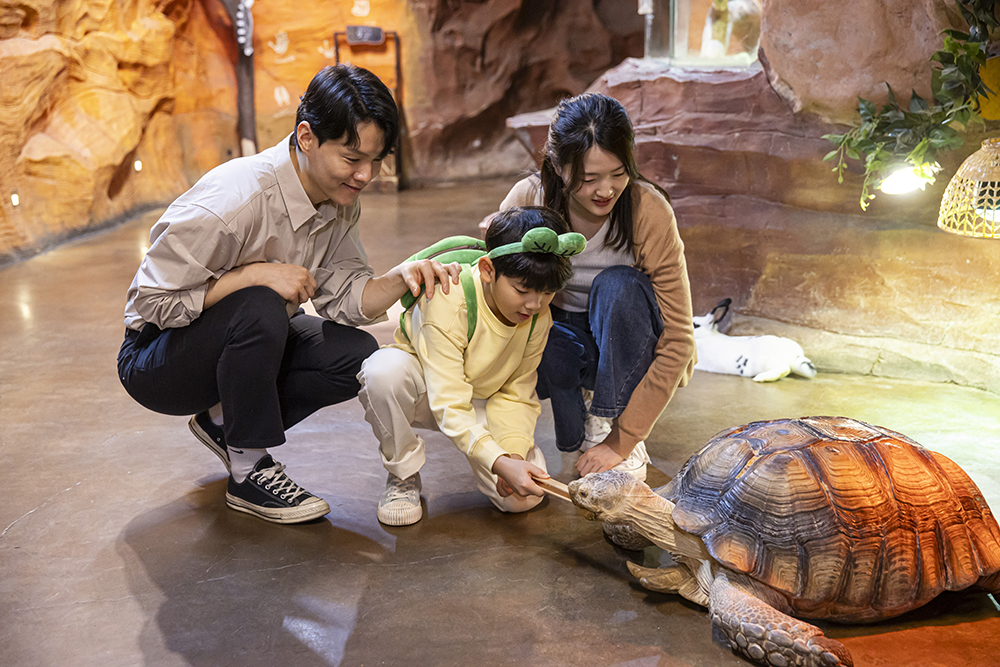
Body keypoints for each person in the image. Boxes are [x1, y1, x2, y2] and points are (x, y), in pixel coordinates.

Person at [117, 64, 461, 524]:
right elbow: (151, 303)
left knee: (355, 354)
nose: (364, 176)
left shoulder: (337, 200)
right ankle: (247, 469)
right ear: (306, 136)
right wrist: (251, 275)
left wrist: (404, 275)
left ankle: (223, 423)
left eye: (375, 161)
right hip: (155, 358)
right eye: (352, 157)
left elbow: (345, 301)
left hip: (236, 335)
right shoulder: (234, 201)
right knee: (259, 304)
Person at [496, 92, 696, 481]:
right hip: (558, 344)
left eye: (618, 173)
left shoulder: (647, 210)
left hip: (625, 340)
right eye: (588, 179)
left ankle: (611, 419)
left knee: (619, 286)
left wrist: (622, 441)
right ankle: (554, 434)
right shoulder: (530, 198)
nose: (605, 190)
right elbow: (493, 290)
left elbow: (678, 340)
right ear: (557, 166)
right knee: (536, 318)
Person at [357, 206, 584, 526]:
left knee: (523, 497)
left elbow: (518, 390)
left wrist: (512, 456)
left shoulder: (537, 318)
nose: (534, 304)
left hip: (484, 397)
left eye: (547, 293)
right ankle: (402, 474)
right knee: (383, 372)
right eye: (522, 290)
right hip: (427, 390)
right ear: (488, 269)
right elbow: (448, 399)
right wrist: (496, 460)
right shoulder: (449, 297)